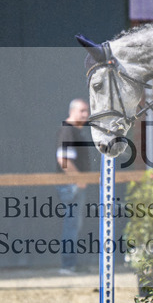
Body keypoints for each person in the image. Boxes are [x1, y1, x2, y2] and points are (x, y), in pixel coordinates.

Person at [55, 99, 92, 275]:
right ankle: (68, 265)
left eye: (87, 111)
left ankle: (72, 263)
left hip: (74, 185)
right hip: (70, 185)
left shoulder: (76, 131)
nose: (86, 115)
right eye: (82, 111)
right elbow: (63, 160)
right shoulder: (67, 130)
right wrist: (78, 180)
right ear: (72, 111)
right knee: (71, 225)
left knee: (75, 225)